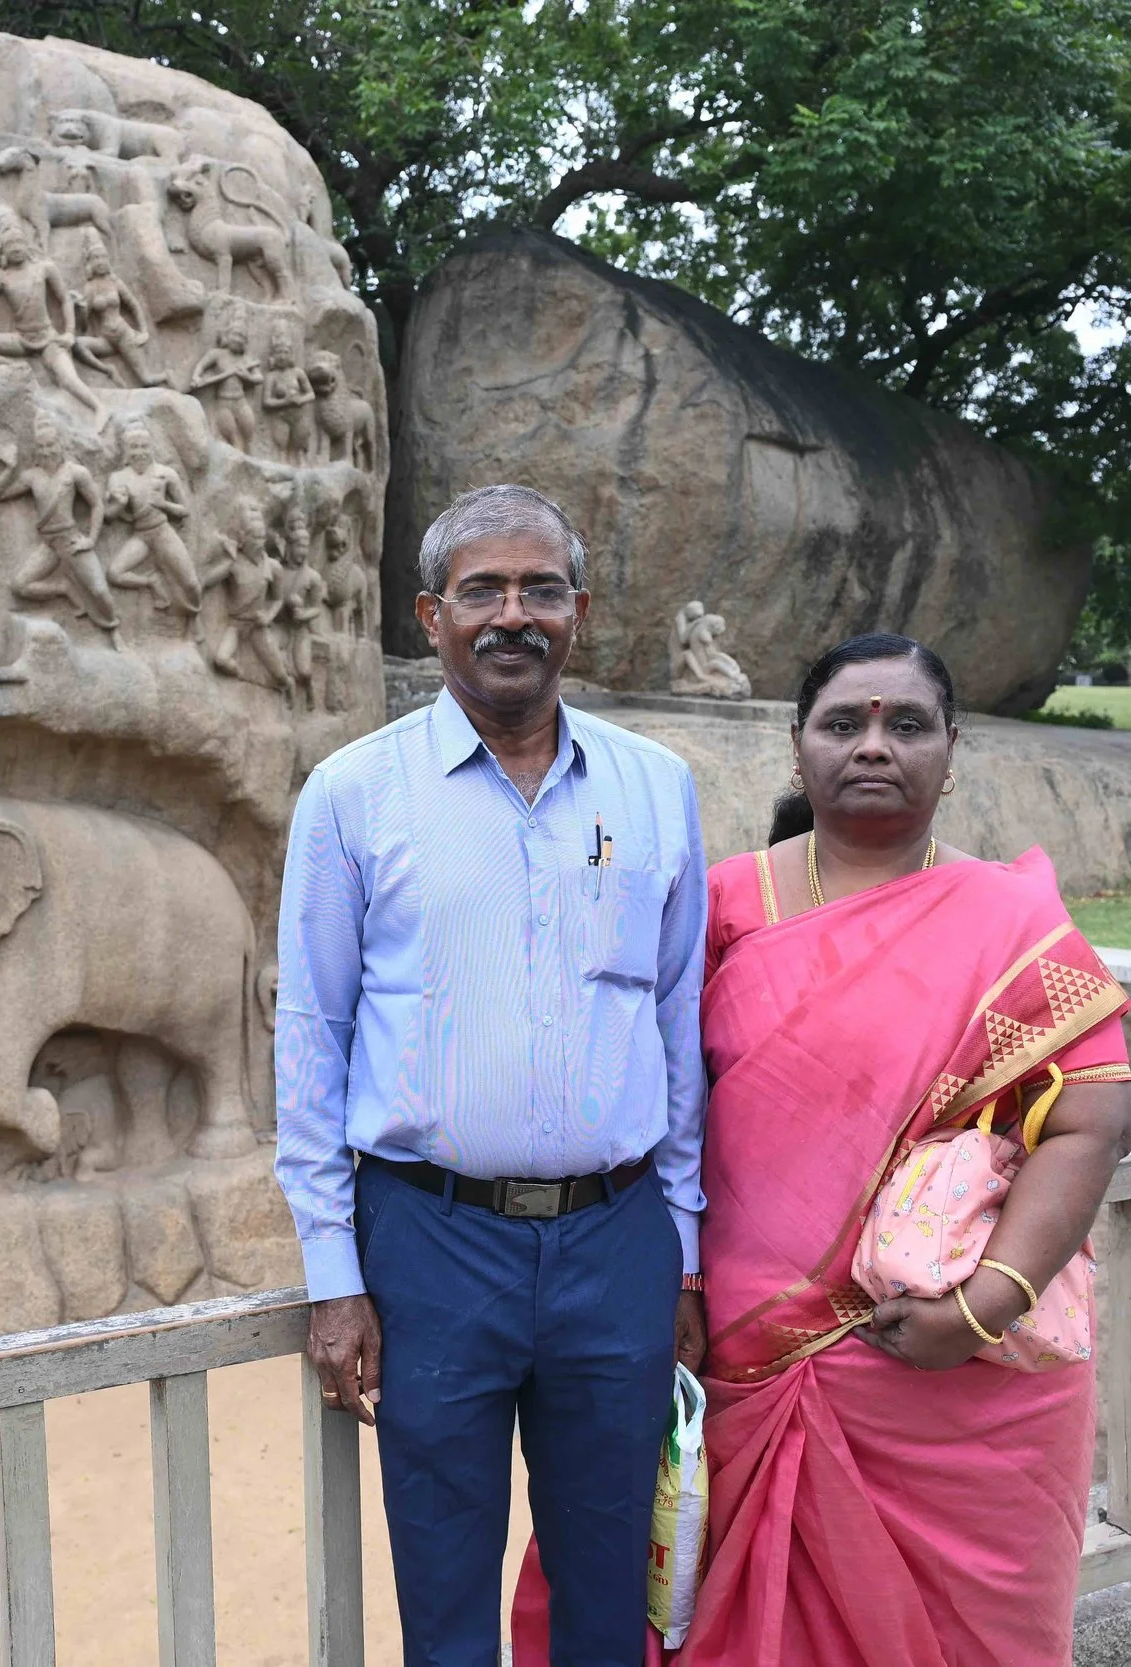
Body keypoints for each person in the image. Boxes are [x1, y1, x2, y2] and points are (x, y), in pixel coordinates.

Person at [509, 632, 1131, 1667]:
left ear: (952, 748)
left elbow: (1094, 1120)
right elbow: (636, 1092)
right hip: (729, 1349)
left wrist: (980, 1307)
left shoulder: (1011, 919)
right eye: (844, 723)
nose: (873, 745)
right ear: (796, 747)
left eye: (907, 724)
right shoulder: (718, 905)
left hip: (945, 1367)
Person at [275, 483, 708, 1666]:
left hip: (616, 1239)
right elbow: (311, 1035)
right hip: (429, 1243)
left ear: (578, 611)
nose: (512, 613)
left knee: (607, 1584)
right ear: (433, 615)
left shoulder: (651, 788)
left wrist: (681, 1247)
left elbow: (676, 1024)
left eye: (539, 589)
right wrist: (333, 1273)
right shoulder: (355, 793)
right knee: (445, 1583)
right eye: (483, 590)